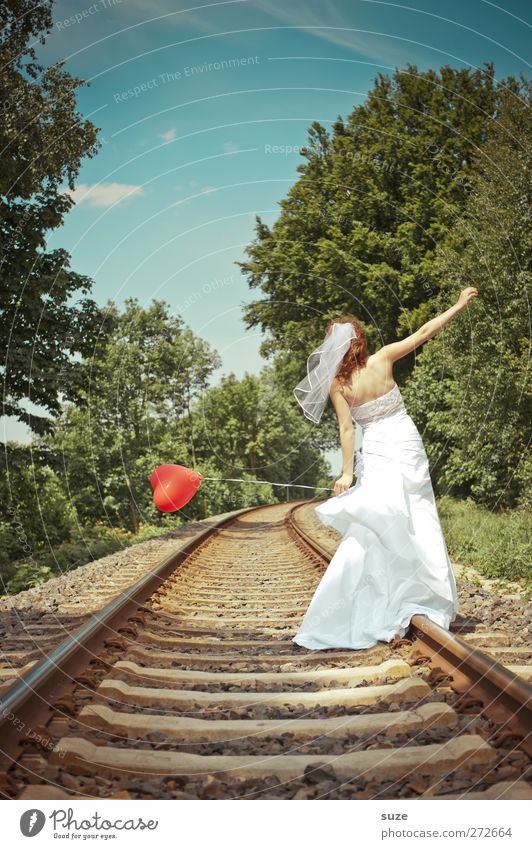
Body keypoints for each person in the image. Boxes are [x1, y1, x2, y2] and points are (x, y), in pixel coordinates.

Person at [292, 286, 478, 650]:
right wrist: (457, 306)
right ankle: (422, 592)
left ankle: (381, 598)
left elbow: (347, 429)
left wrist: (348, 473)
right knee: (417, 512)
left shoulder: (339, 385)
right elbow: (424, 332)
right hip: (405, 439)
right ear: (360, 341)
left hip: (377, 446)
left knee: (381, 519)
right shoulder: (382, 359)